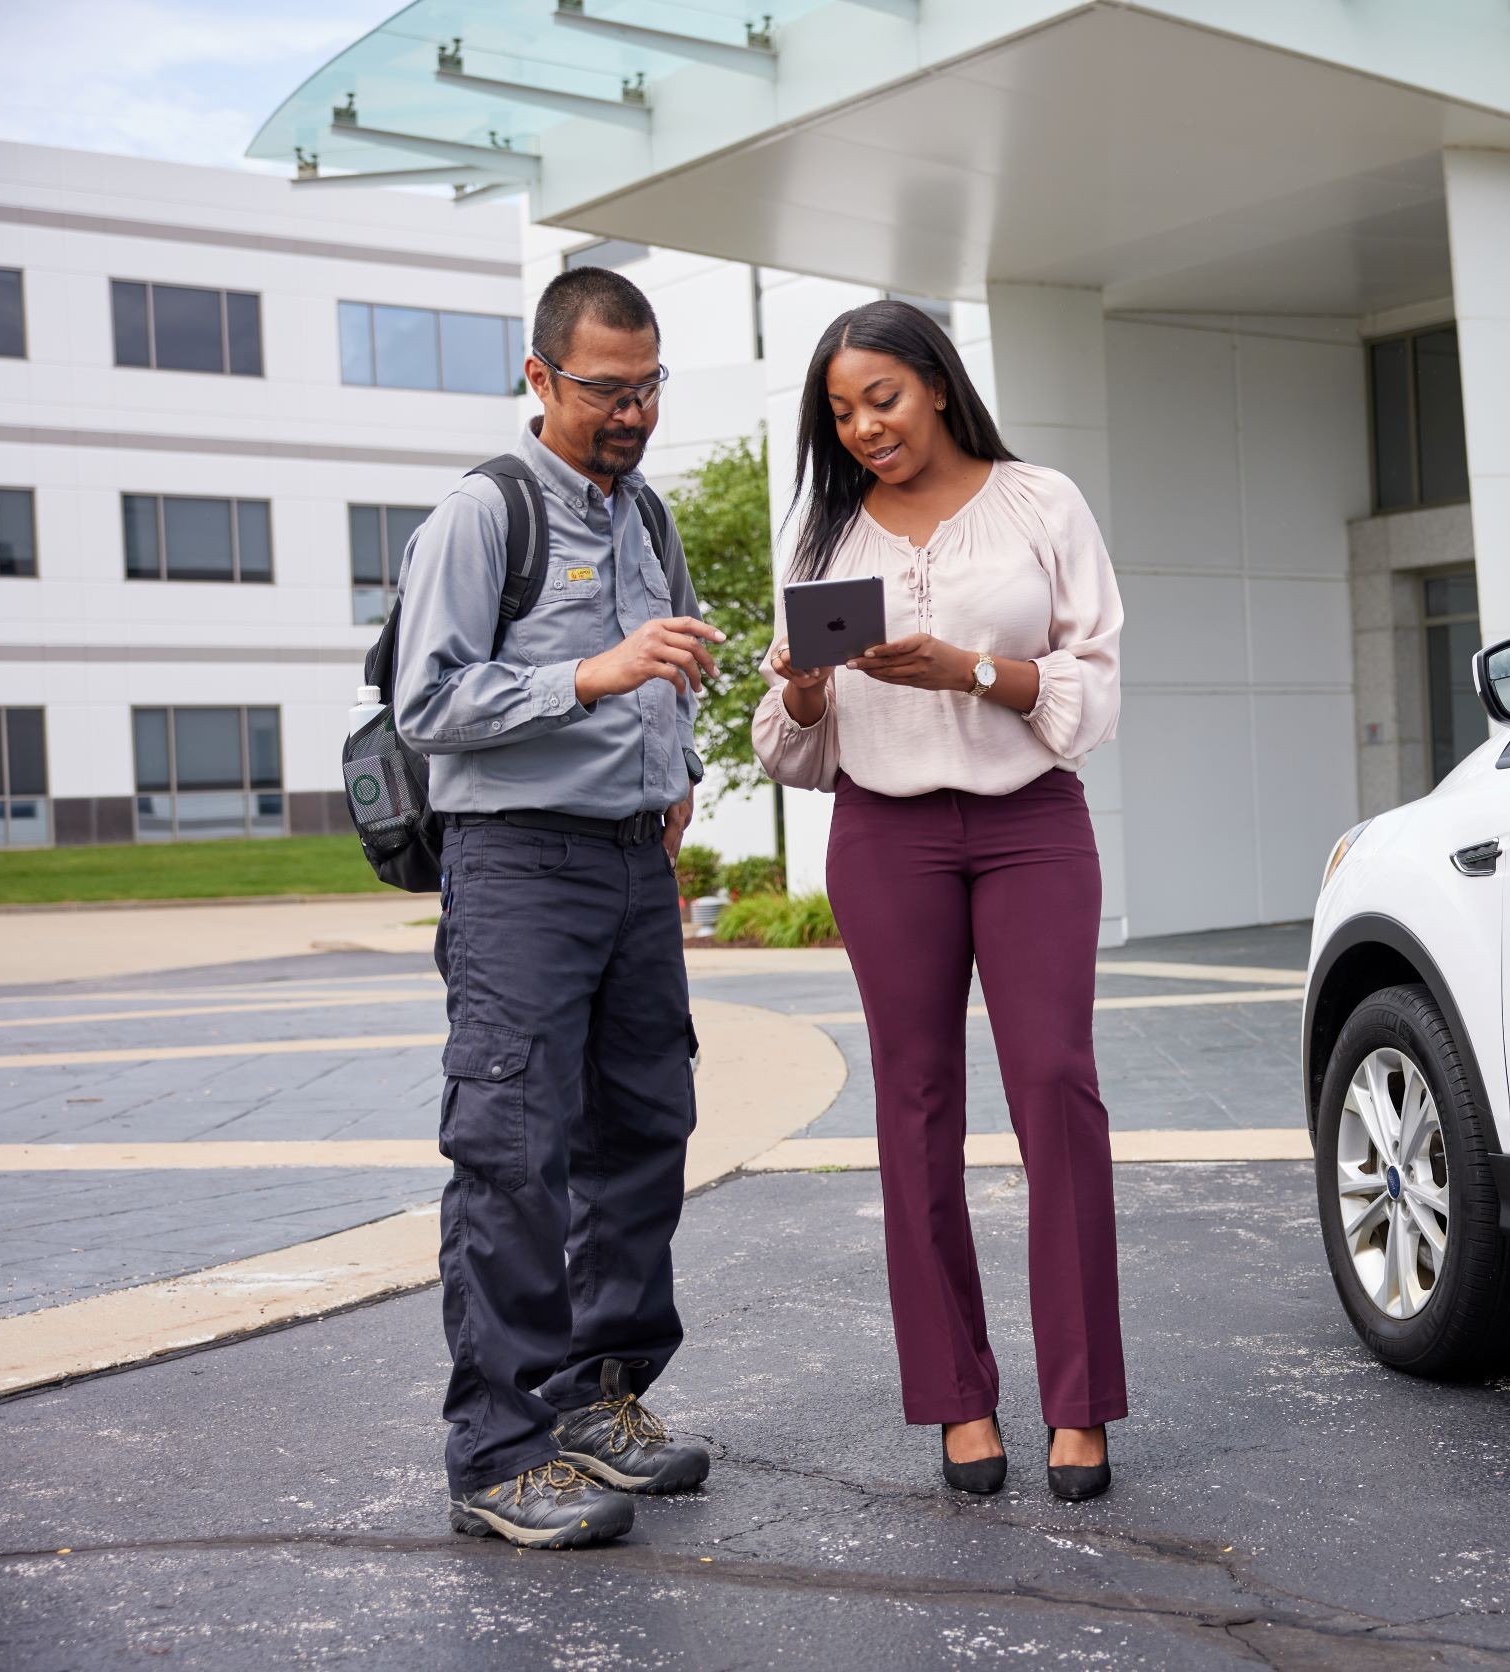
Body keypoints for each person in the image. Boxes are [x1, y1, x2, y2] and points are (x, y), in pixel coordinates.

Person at [753, 300, 1127, 1501]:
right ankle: (957, 1397)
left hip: (1030, 828)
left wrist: (967, 670)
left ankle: (1079, 1401)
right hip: (883, 834)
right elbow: (792, 746)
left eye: (882, 398)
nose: (863, 428)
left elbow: (1092, 684)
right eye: (840, 412)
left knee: (1054, 1089)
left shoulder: (1039, 503)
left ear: (937, 385)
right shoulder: (822, 534)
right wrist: (805, 691)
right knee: (914, 1107)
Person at [394, 266, 725, 1548]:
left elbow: (662, 671)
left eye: (648, 386)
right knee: (514, 1152)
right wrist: (592, 675)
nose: (633, 412)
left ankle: (597, 1396)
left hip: (633, 865)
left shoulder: (646, 517)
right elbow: (429, 705)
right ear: (539, 376)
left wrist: (674, 766)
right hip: (519, 868)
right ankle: (497, 1451)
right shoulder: (485, 514)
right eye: (606, 389)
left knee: (644, 1126)